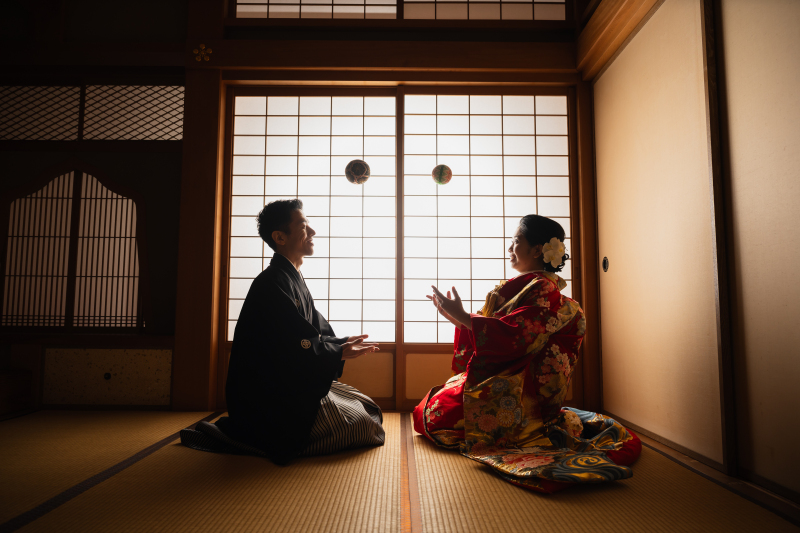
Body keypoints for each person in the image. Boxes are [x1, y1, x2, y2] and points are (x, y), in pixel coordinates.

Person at [413, 214, 641, 493]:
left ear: (537, 250)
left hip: (524, 389)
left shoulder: (543, 289)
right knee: (432, 407)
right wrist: (457, 318)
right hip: (508, 374)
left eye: (516, 241)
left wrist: (463, 315)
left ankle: (532, 423)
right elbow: (500, 330)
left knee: (434, 416)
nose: (510, 248)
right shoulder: (529, 286)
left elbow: (517, 335)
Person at [181, 199, 385, 464]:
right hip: (271, 402)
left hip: (288, 388)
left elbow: (313, 332)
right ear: (280, 237)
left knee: (369, 408)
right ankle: (272, 437)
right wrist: (337, 352)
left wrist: (340, 343)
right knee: (364, 425)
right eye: (303, 226)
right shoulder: (271, 283)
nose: (312, 232)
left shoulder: (291, 277)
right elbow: (295, 345)